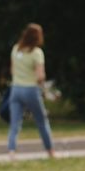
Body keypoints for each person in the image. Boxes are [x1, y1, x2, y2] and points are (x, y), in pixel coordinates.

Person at [7, 23, 56, 159]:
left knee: (15, 123)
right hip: (30, 90)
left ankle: (11, 152)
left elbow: (12, 70)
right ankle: (50, 151)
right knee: (41, 121)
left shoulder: (16, 49)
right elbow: (40, 76)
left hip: (15, 89)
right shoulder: (37, 53)